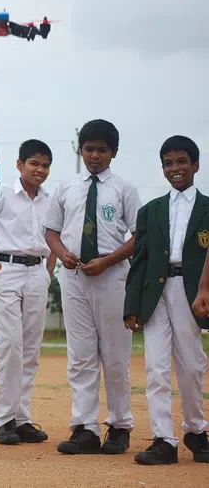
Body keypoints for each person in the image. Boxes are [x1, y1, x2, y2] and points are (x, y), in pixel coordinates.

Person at [43, 119, 141, 455]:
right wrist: (62, 254)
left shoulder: (123, 189)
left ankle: (119, 426)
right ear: (80, 150)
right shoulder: (67, 187)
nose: (95, 155)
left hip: (112, 276)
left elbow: (138, 235)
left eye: (102, 149)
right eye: (89, 149)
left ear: (113, 152)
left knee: (115, 356)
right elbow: (51, 231)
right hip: (74, 276)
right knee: (81, 356)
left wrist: (109, 260)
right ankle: (83, 427)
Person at [124, 135, 209, 465]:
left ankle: (196, 431)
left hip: (192, 293)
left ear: (196, 165)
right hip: (155, 293)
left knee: (191, 366)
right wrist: (132, 306)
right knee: (156, 368)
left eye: (182, 162)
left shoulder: (206, 208)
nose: (175, 168)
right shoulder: (151, 211)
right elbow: (140, 260)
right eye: (168, 163)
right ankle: (164, 440)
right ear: (162, 169)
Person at [0, 139, 55, 445]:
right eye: (34, 163)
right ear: (19, 164)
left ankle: (22, 418)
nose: (40, 170)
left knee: (30, 348)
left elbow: (55, 236)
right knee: (10, 344)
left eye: (45, 165)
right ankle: (4, 419)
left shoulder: (51, 200)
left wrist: (48, 273)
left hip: (38, 272)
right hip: (6, 269)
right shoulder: (1, 195)